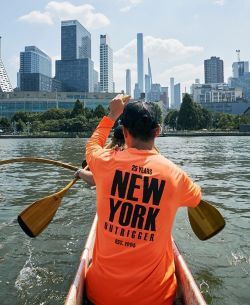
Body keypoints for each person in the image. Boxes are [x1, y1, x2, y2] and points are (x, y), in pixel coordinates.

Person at [82, 94, 201, 305]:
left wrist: (112, 114)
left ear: (125, 133)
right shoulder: (176, 176)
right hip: (157, 299)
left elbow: (92, 145)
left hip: (101, 296)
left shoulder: (103, 162)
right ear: (157, 132)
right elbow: (195, 199)